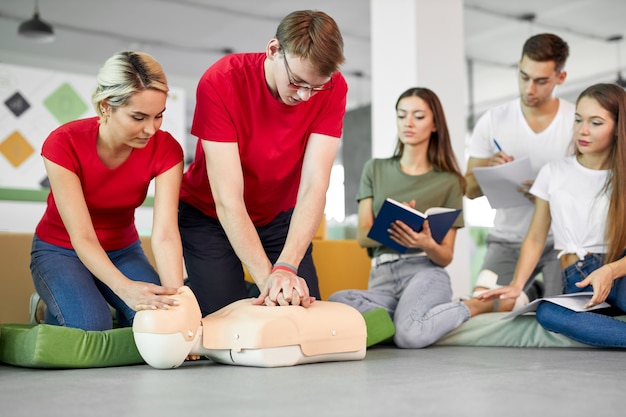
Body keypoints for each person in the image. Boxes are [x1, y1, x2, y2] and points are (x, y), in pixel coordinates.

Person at [178, 10, 348, 316]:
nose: (307, 96)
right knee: (226, 318)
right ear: (273, 50)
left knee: (301, 314)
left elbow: (314, 186)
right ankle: (205, 287)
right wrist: (271, 283)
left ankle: (239, 287)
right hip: (210, 215)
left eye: (317, 86)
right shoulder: (222, 80)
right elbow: (227, 199)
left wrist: (286, 267)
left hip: (278, 217)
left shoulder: (334, 88)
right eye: (297, 82)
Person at [328, 87, 502, 349]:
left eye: (418, 116)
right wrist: (395, 220)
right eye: (402, 115)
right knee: (337, 300)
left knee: (410, 336)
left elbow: (445, 256)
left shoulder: (450, 181)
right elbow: (363, 236)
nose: (408, 123)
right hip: (382, 278)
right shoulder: (374, 169)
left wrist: (426, 243)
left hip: (424, 273)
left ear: (434, 125)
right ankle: (408, 318)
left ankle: (475, 305)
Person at [30, 51, 185, 331]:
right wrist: (125, 289)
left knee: (160, 322)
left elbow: (165, 234)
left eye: (158, 116)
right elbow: (83, 236)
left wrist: (177, 301)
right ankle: (50, 305)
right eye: (138, 117)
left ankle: (96, 296)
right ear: (106, 107)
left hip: (123, 251)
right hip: (61, 250)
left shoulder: (167, 149)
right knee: (91, 324)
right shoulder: (62, 144)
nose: (151, 129)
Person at [477, 83, 626, 348]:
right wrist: (516, 284)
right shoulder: (553, 172)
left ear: (618, 128)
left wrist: (610, 270)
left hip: (619, 271)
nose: (583, 130)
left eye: (596, 122)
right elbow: (536, 236)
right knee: (548, 313)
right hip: (579, 279)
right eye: (578, 119)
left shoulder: (623, 177)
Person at [464, 33, 575, 306]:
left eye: (541, 81)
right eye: (524, 77)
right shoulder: (493, 120)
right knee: (485, 305)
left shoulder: (576, 121)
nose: (529, 89)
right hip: (506, 239)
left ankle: (533, 292)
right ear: (518, 66)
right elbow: (468, 190)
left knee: (558, 316)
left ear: (560, 78)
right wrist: (490, 170)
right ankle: (529, 292)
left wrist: (547, 191)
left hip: (560, 242)